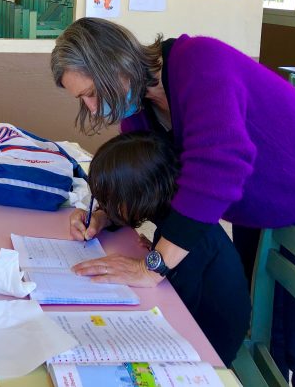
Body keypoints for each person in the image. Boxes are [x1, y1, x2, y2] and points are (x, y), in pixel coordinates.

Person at [51, 17, 295, 386]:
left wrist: (153, 266)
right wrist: (104, 215)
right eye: (83, 99)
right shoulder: (138, 111)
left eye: (92, 92)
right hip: (260, 202)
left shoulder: (201, 61)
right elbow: (144, 181)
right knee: (267, 328)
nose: (95, 108)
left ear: (116, 65)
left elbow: (216, 172)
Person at [70, 131, 250, 365]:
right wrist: (103, 218)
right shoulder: (173, 213)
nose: (106, 207)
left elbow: (175, 304)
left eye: (111, 201)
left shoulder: (191, 240)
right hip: (195, 315)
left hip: (209, 344)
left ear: (139, 197)